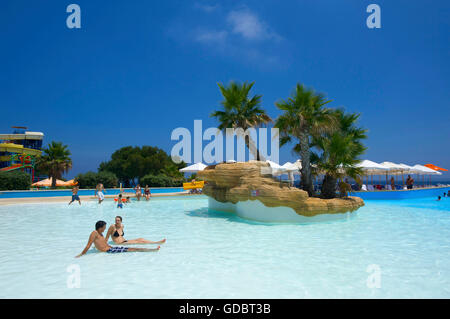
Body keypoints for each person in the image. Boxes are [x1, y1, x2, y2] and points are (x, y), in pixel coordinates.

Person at [75, 221, 160, 257]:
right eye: (104, 227)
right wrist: (81, 255)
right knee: (132, 249)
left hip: (111, 248)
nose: (105, 229)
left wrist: (96, 247)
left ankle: (151, 249)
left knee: (132, 249)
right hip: (109, 251)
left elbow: (100, 243)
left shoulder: (100, 234)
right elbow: (88, 245)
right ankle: (151, 250)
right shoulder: (94, 233)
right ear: (100, 227)